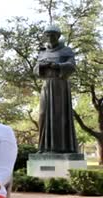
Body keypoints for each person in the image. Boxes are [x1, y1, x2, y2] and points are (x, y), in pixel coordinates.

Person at [34, 24, 77, 153]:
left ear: (58, 36)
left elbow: (72, 65)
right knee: (43, 114)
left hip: (60, 85)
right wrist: (42, 66)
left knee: (59, 115)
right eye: (47, 35)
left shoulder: (66, 50)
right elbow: (35, 69)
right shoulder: (43, 52)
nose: (50, 37)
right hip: (46, 86)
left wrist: (58, 66)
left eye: (52, 34)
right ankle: (44, 147)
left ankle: (62, 148)